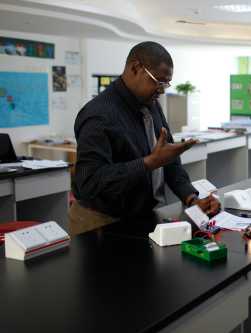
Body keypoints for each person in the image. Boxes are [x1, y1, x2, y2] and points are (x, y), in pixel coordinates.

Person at [70, 41, 220, 235]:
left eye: (166, 83)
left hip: (142, 217)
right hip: (101, 224)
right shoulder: (98, 115)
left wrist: (191, 198)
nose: (162, 90)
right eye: (158, 81)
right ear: (136, 68)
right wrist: (148, 163)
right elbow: (89, 183)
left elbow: (169, 161)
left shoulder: (151, 104)